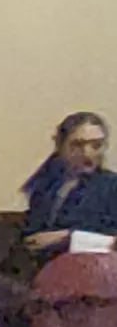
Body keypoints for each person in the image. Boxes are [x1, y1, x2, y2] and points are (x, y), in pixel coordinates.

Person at [21, 110, 117, 263]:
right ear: (60, 146)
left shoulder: (111, 186)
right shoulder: (46, 185)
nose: (87, 153)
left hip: (92, 267)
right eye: (77, 145)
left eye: (96, 145)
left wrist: (67, 237)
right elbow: (32, 233)